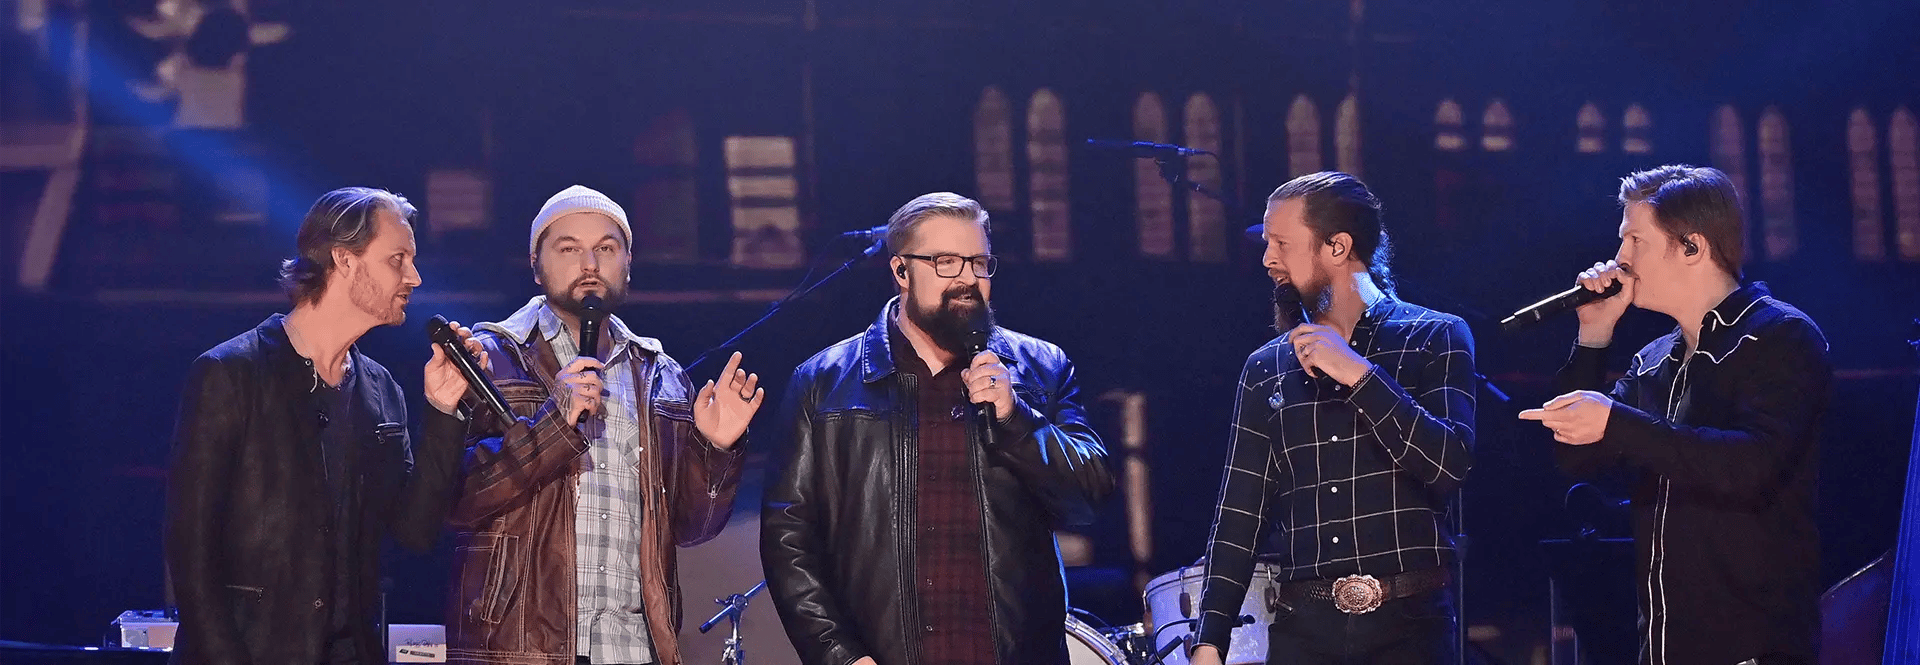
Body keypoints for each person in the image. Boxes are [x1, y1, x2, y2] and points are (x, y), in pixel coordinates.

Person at [761, 192, 1114, 665]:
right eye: (946, 262)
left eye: (979, 263)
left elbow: (1089, 497)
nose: (967, 279)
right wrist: (840, 656)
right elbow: (789, 539)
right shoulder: (823, 384)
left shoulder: (1041, 370)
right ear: (901, 271)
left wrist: (1016, 418)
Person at [1520, 165, 1829, 665]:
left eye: (1635, 240)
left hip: (1754, 649)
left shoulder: (1779, 336)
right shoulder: (1654, 360)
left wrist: (1617, 422)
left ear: (1692, 247)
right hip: (1662, 646)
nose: (1620, 258)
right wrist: (1594, 336)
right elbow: (1576, 457)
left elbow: (1750, 464)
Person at [166, 187, 484, 664]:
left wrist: (442, 409)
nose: (414, 277)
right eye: (397, 259)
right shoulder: (231, 374)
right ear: (345, 259)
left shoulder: (380, 389)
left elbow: (415, 531)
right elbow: (191, 554)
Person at [444, 185, 759, 665]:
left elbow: (692, 529)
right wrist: (555, 422)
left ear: (628, 263)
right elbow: (454, 499)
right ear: (536, 264)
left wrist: (715, 449)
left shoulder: (661, 375)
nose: (589, 264)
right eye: (569, 248)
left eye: (606, 249)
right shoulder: (489, 358)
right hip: (520, 649)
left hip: (633, 649)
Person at [1194, 172, 1475, 665]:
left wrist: (1360, 375)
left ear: (1338, 247)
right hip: (1305, 630)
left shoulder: (1435, 336)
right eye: (1267, 244)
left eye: (1282, 243)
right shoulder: (1266, 367)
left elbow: (1448, 465)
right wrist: (1209, 639)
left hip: (1411, 626)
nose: (1267, 259)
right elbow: (1240, 513)